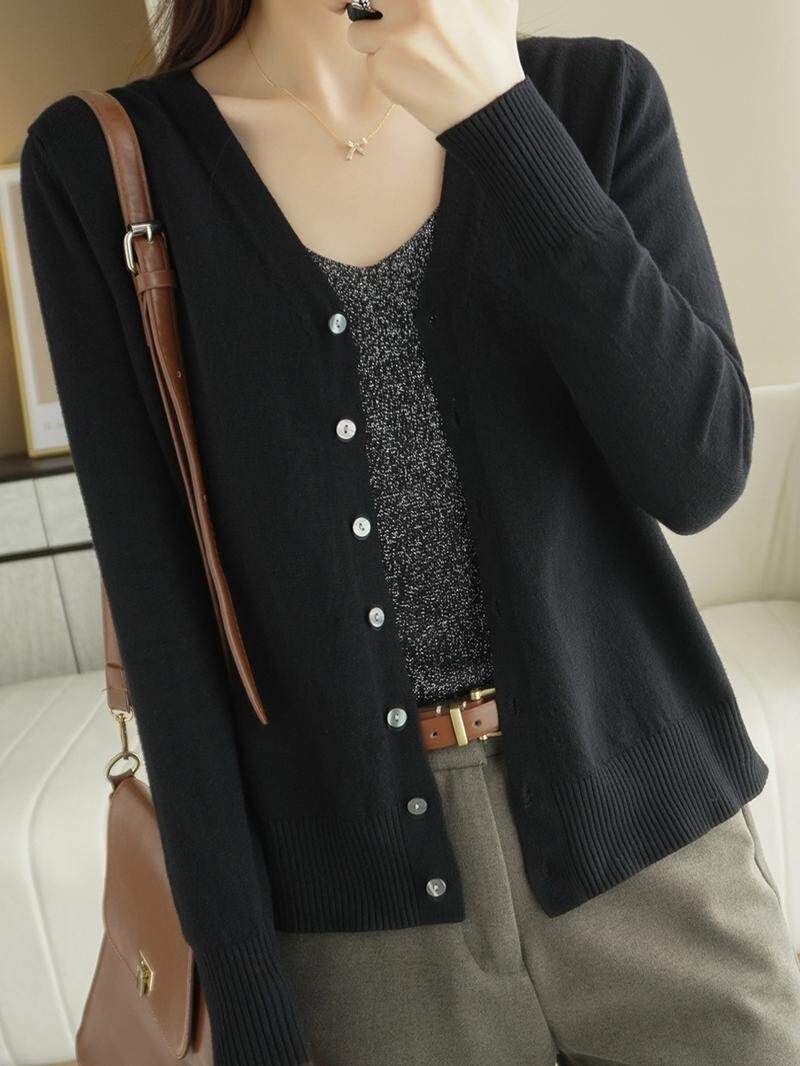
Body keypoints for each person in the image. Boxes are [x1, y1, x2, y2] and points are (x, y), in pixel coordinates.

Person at [19, 0, 800, 1063]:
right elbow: (165, 631)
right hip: (358, 937)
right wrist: (246, 996)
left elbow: (700, 472)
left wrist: (500, 118)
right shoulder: (103, 165)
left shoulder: (590, 99)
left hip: (655, 859)